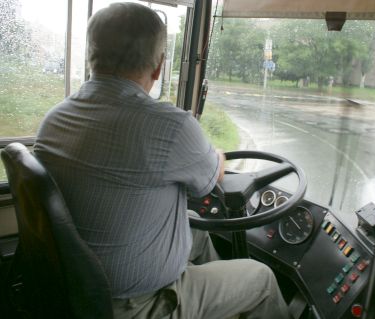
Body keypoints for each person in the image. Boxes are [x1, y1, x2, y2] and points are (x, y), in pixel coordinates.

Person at [34, 3, 290, 318]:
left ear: (91, 55)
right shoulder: (170, 126)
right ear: (158, 67)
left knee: (195, 230)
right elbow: (212, 177)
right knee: (260, 278)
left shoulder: (54, 118)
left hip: (74, 287)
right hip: (135, 305)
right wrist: (219, 156)